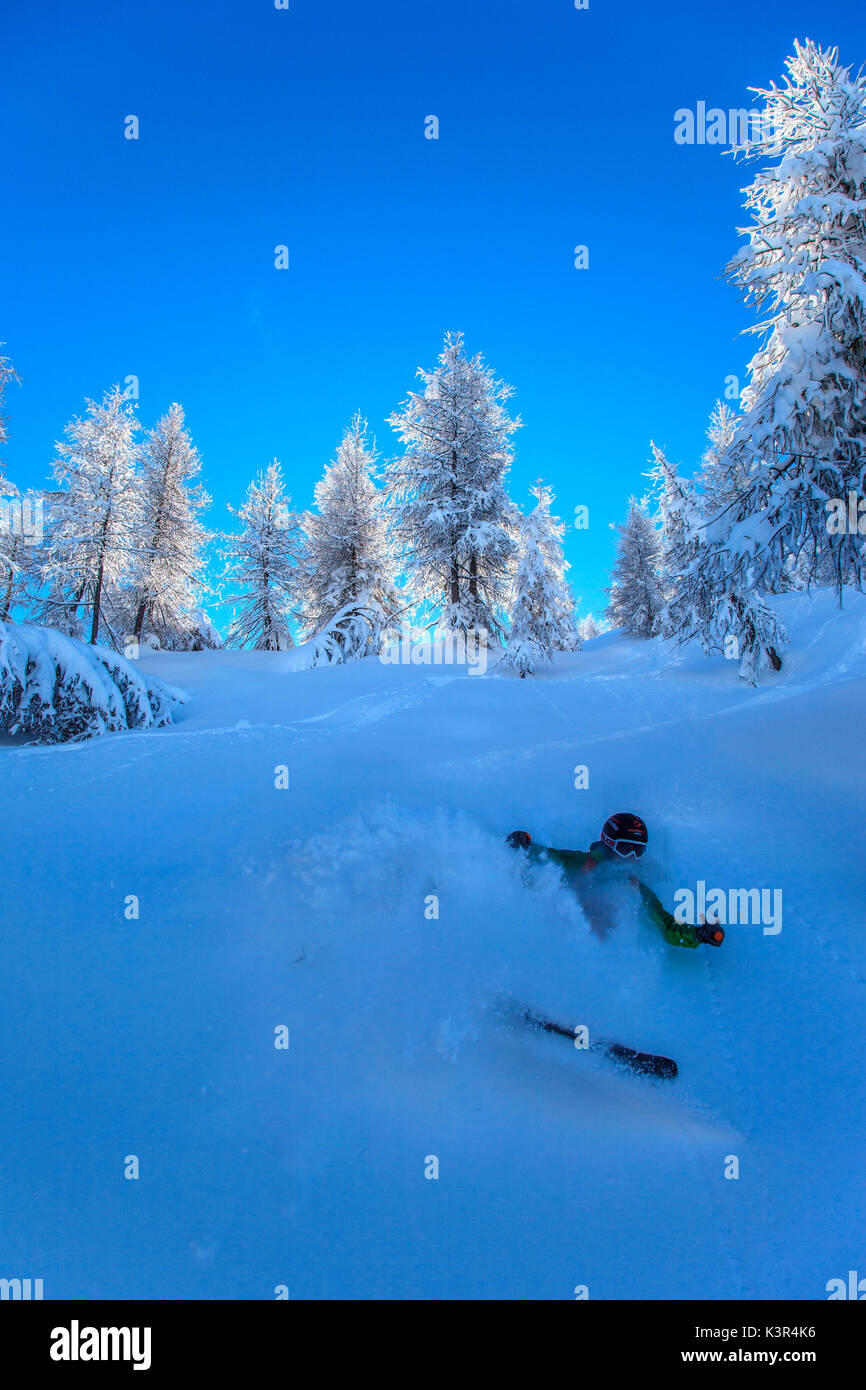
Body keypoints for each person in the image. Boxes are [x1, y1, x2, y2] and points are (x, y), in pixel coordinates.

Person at [506, 811, 724, 949]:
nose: (631, 856)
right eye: (626, 848)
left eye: (638, 850)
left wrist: (697, 934)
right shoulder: (582, 862)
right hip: (554, 927)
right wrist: (524, 845)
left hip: (589, 947)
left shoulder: (634, 888)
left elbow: (666, 926)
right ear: (609, 844)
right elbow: (549, 857)